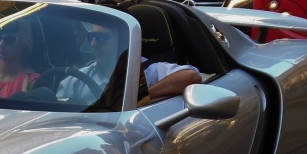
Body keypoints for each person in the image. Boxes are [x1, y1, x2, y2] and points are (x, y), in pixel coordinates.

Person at [58, 19, 202, 105]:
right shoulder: (76, 80)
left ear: (122, 42)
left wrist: (139, 96)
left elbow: (191, 77)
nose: (94, 44)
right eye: (91, 38)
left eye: (101, 38)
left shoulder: (146, 70)